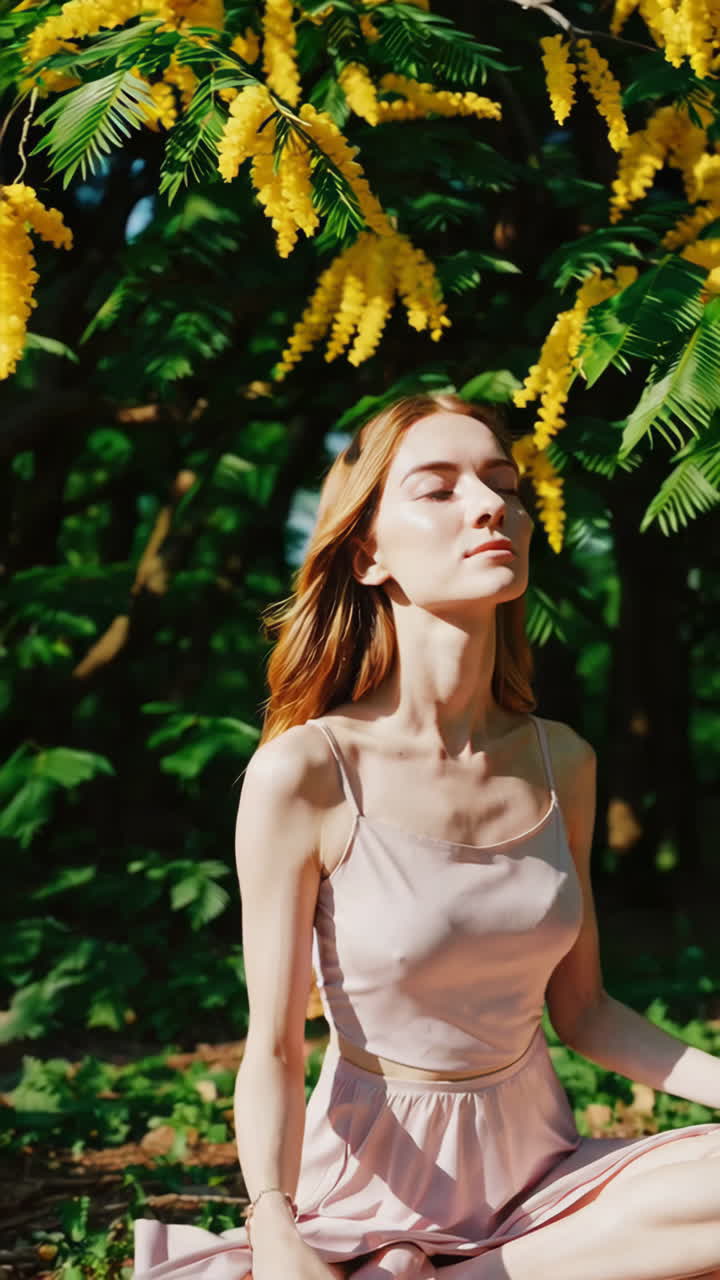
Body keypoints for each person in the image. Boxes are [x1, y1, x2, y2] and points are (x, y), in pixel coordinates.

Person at [134, 393, 720, 1280]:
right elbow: (274, 1046)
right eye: (436, 489)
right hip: (372, 1191)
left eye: (502, 484)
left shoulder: (565, 762)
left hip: (537, 1181)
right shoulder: (306, 773)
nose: (490, 506)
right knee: (391, 1260)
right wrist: (275, 1224)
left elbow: (585, 1011)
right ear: (366, 552)